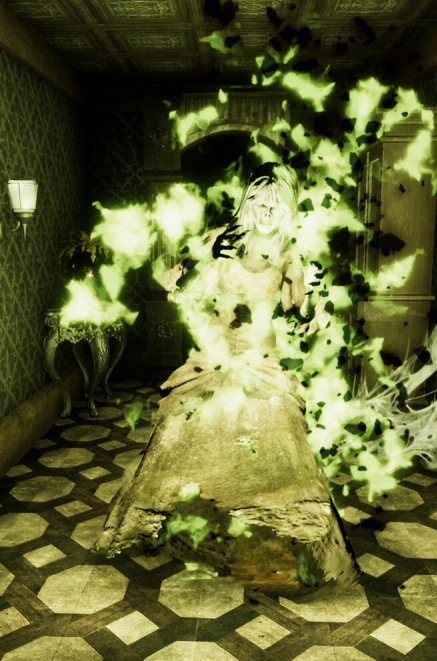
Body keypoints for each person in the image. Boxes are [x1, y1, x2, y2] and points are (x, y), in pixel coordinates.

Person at [93, 163, 359, 597]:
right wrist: (178, 279)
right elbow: (180, 283)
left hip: (262, 364)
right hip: (211, 360)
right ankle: (160, 521)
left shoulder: (291, 255)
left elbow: (301, 313)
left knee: (274, 428)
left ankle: (293, 542)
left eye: (276, 205)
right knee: (180, 424)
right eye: (260, 202)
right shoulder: (220, 240)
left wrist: (315, 306)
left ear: (287, 210)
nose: (267, 212)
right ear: (247, 203)